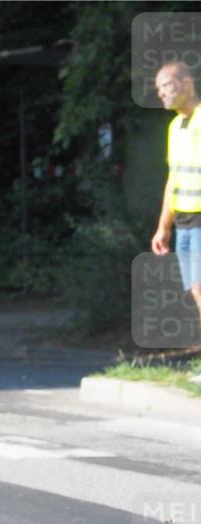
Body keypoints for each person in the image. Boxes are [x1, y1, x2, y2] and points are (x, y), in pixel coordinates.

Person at [151, 61, 201, 372]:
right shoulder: (175, 128)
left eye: (165, 86)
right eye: (157, 90)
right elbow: (174, 178)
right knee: (196, 292)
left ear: (184, 82)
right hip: (183, 224)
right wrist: (162, 227)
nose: (160, 95)